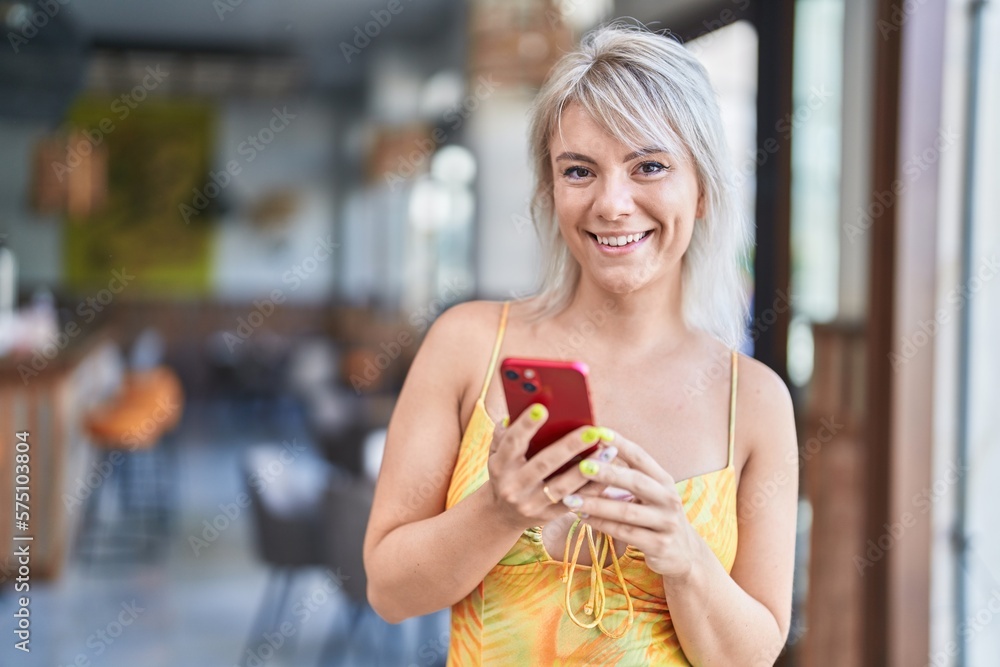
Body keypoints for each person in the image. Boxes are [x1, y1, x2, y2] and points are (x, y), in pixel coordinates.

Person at [364, 22, 798, 666]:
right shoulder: (469, 344)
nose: (612, 203)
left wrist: (684, 555)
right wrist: (499, 510)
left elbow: (752, 657)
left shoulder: (754, 400)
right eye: (579, 170)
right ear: (550, 190)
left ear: (702, 188)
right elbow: (390, 592)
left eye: (649, 166)